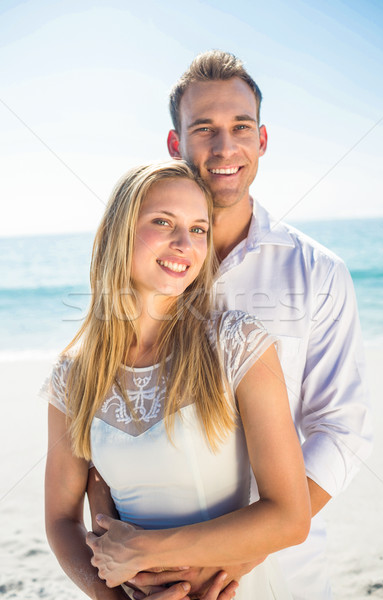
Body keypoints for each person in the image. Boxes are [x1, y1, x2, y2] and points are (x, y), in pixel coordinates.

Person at [87, 51, 373, 599]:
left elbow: (342, 429)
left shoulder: (318, 272)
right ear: (176, 144)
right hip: (155, 579)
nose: (224, 148)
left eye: (241, 127)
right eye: (204, 130)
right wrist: (125, 560)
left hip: (283, 568)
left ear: (262, 140)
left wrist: (241, 550)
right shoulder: (142, 268)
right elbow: (103, 421)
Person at [43, 160, 311, 600]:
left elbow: (290, 517)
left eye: (199, 229)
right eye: (162, 221)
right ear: (120, 231)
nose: (184, 243)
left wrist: (143, 551)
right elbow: (60, 519)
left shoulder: (235, 342)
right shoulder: (73, 376)